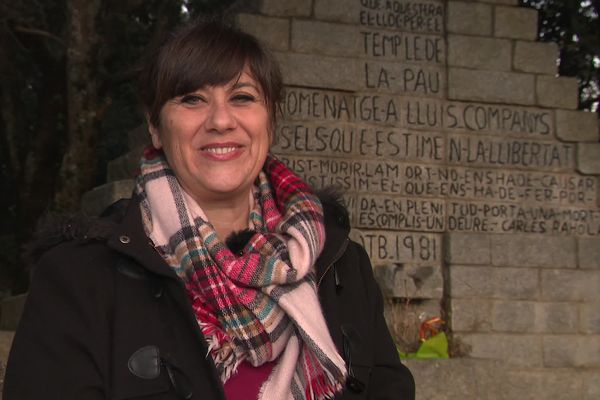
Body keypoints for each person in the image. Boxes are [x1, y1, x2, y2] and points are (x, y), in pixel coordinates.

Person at [3, 19, 415, 400]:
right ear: (155, 126)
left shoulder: (340, 265)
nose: (221, 120)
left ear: (270, 120)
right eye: (192, 99)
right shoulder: (77, 278)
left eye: (242, 97)